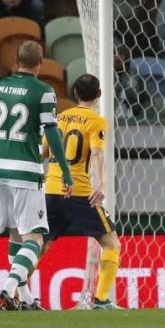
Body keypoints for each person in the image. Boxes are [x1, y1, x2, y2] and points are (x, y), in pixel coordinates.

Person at [0, 41, 73, 311]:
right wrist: (65, 170)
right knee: (35, 239)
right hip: (26, 171)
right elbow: (52, 133)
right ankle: (7, 291)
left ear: (16, 61)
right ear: (40, 62)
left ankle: (27, 299)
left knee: (15, 236)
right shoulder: (44, 91)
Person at [40, 74, 122, 310]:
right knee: (111, 243)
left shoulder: (59, 117)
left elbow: (44, 152)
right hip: (78, 193)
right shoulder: (96, 121)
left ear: (75, 93)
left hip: (52, 189)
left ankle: (13, 292)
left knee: (41, 245)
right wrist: (102, 184)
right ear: (99, 94)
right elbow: (97, 152)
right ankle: (102, 299)